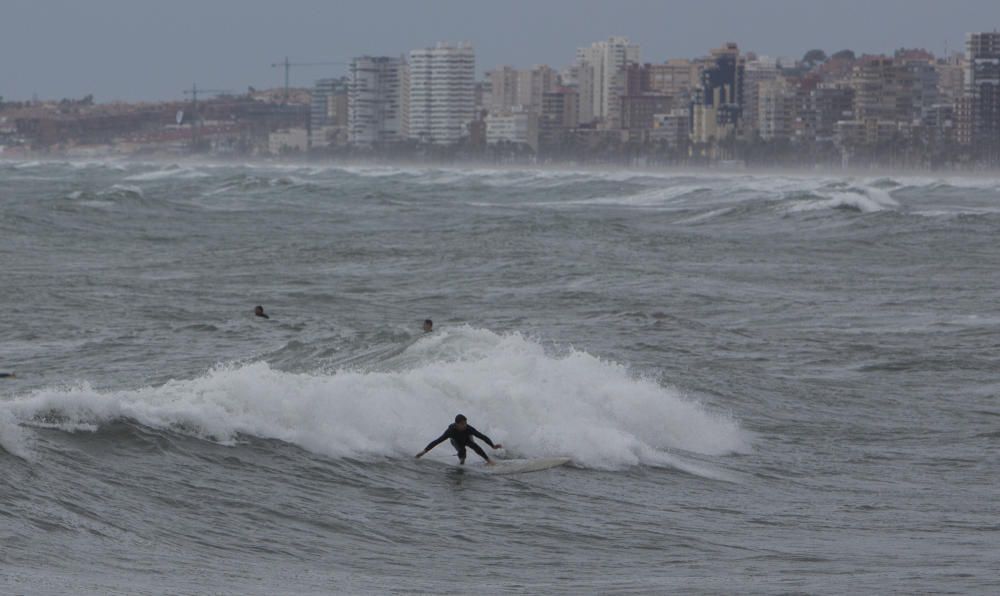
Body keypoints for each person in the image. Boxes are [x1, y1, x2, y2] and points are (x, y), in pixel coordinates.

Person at [416, 414, 503, 465]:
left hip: (467, 438)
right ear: (457, 424)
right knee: (462, 452)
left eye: (465, 423)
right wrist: (423, 452)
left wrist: (493, 446)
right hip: (455, 441)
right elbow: (437, 441)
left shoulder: (468, 428)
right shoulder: (450, 431)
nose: (465, 425)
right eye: (462, 424)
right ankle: (461, 463)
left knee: (475, 446)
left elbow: (482, 436)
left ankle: (489, 461)